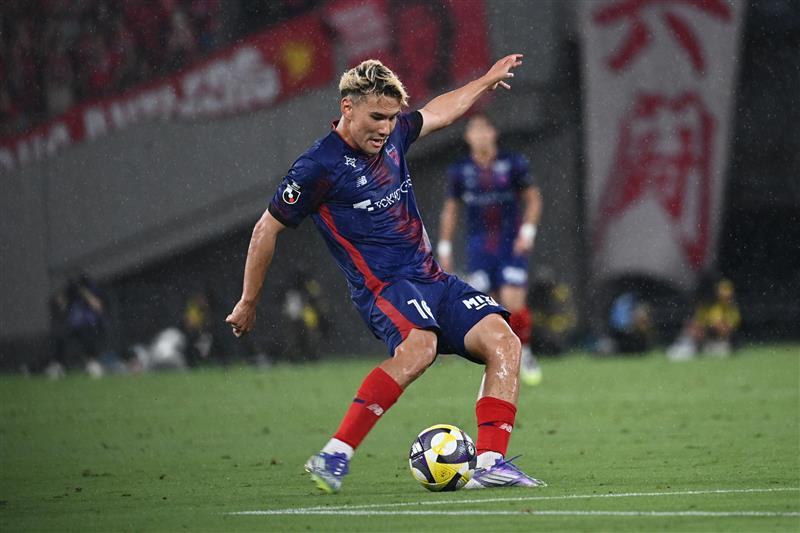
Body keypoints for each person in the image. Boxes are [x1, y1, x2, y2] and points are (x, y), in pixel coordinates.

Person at [226, 55, 546, 493]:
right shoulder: (318, 166)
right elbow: (266, 229)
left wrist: (485, 81)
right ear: (347, 107)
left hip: (433, 280)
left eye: (393, 117)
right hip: (385, 288)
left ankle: (490, 462)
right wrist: (248, 300)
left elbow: (439, 111)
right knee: (420, 348)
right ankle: (334, 454)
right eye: (377, 116)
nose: (386, 127)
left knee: (504, 341)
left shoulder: (395, 135)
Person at [436, 113, 544, 385]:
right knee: (491, 308)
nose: (481, 135)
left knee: (513, 301)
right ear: (468, 137)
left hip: (511, 245)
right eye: (475, 130)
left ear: (493, 133)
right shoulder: (460, 171)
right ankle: (500, 359)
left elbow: (533, 199)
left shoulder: (513, 163)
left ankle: (525, 352)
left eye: (485, 129)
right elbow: (451, 210)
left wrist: (527, 233)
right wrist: (445, 246)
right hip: (480, 248)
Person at [668, 278, 741, 360]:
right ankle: (687, 346)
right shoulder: (709, 306)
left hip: (721, 341)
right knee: (692, 329)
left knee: (720, 348)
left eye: (728, 297)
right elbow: (697, 324)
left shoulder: (732, 310)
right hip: (705, 338)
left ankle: (701, 349)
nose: (726, 299)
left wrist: (709, 328)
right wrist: (700, 328)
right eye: (724, 296)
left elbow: (726, 330)